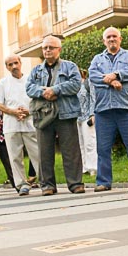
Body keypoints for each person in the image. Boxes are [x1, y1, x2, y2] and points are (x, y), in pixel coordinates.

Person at [26, 36, 85, 195]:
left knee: (71, 151)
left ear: (59, 49)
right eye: (45, 48)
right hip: (43, 115)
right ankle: (47, 186)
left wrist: (56, 90)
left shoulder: (70, 67)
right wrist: (44, 92)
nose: (47, 50)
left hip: (66, 114)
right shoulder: (36, 70)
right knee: (44, 152)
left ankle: (75, 184)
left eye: (51, 47)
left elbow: (76, 85)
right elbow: (29, 88)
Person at [88, 27, 128, 191]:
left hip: (126, 108)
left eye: (114, 36)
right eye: (108, 37)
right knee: (103, 148)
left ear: (120, 39)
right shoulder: (97, 59)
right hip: (103, 110)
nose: (111, 39)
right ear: (104, 41)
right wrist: (111, 81)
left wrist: (117, 74)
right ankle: (103, 182)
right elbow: (92, 75)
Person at [0, 55, 41, 196]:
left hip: (30, 123)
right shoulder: (3, 83)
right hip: (11, 124)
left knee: (37, 154)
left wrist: (28, 111)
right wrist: (13, 112)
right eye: (10, 64)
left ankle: (45, 181)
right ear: (7, 67)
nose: (14, 66)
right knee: (15, 157)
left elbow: (38, 100)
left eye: (16, 63)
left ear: (20, 63)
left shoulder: (30, 80)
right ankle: (21, 184)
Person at [76, 69, 97, 177]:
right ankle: (84, 167)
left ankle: (93, 167)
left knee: (90, 143)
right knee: (80, 144)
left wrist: (93, 114)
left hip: (87, 117)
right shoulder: (72, 86)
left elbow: (93, 98)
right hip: (76, 118)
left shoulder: (87, 83)